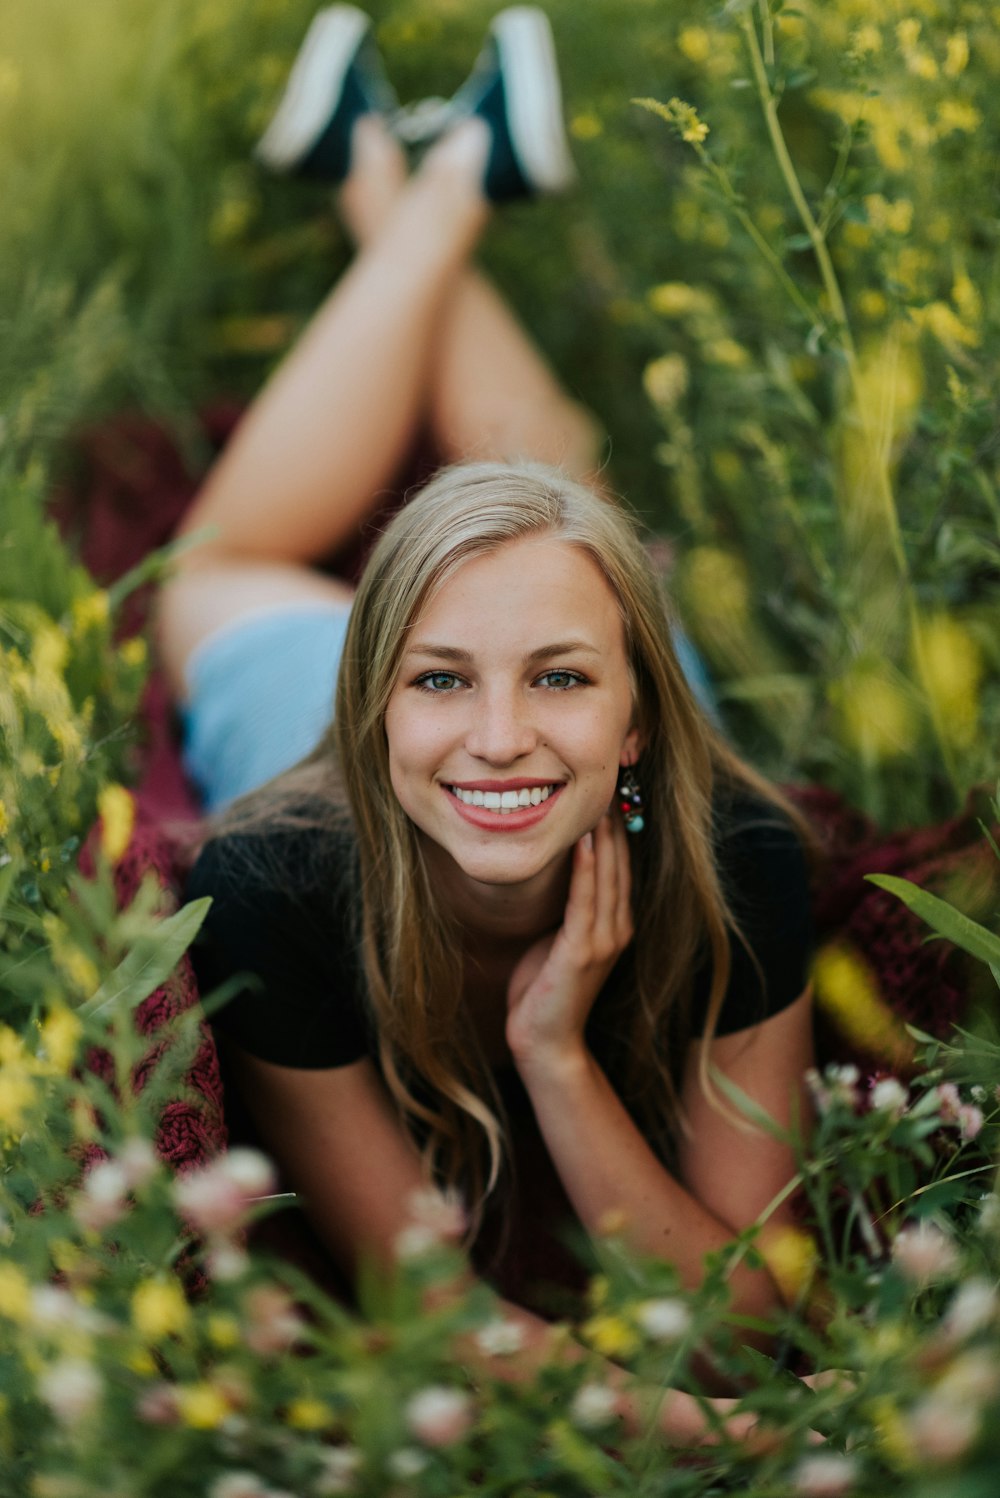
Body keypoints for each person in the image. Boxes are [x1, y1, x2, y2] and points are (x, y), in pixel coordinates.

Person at [157, 4, 815, 1440]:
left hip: (593, 719)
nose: (502, 737)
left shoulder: (733, 853)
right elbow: (424, 1314)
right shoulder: (276, 885)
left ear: (635, 715)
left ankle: (406, 178)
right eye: (439, 678)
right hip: (300, 702)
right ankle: (445, 179)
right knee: (196, 578)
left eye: (570, 681)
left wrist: (558, 1055)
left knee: (569, 527)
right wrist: (723, 1441)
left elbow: (747, 1309)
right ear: (377, 690)